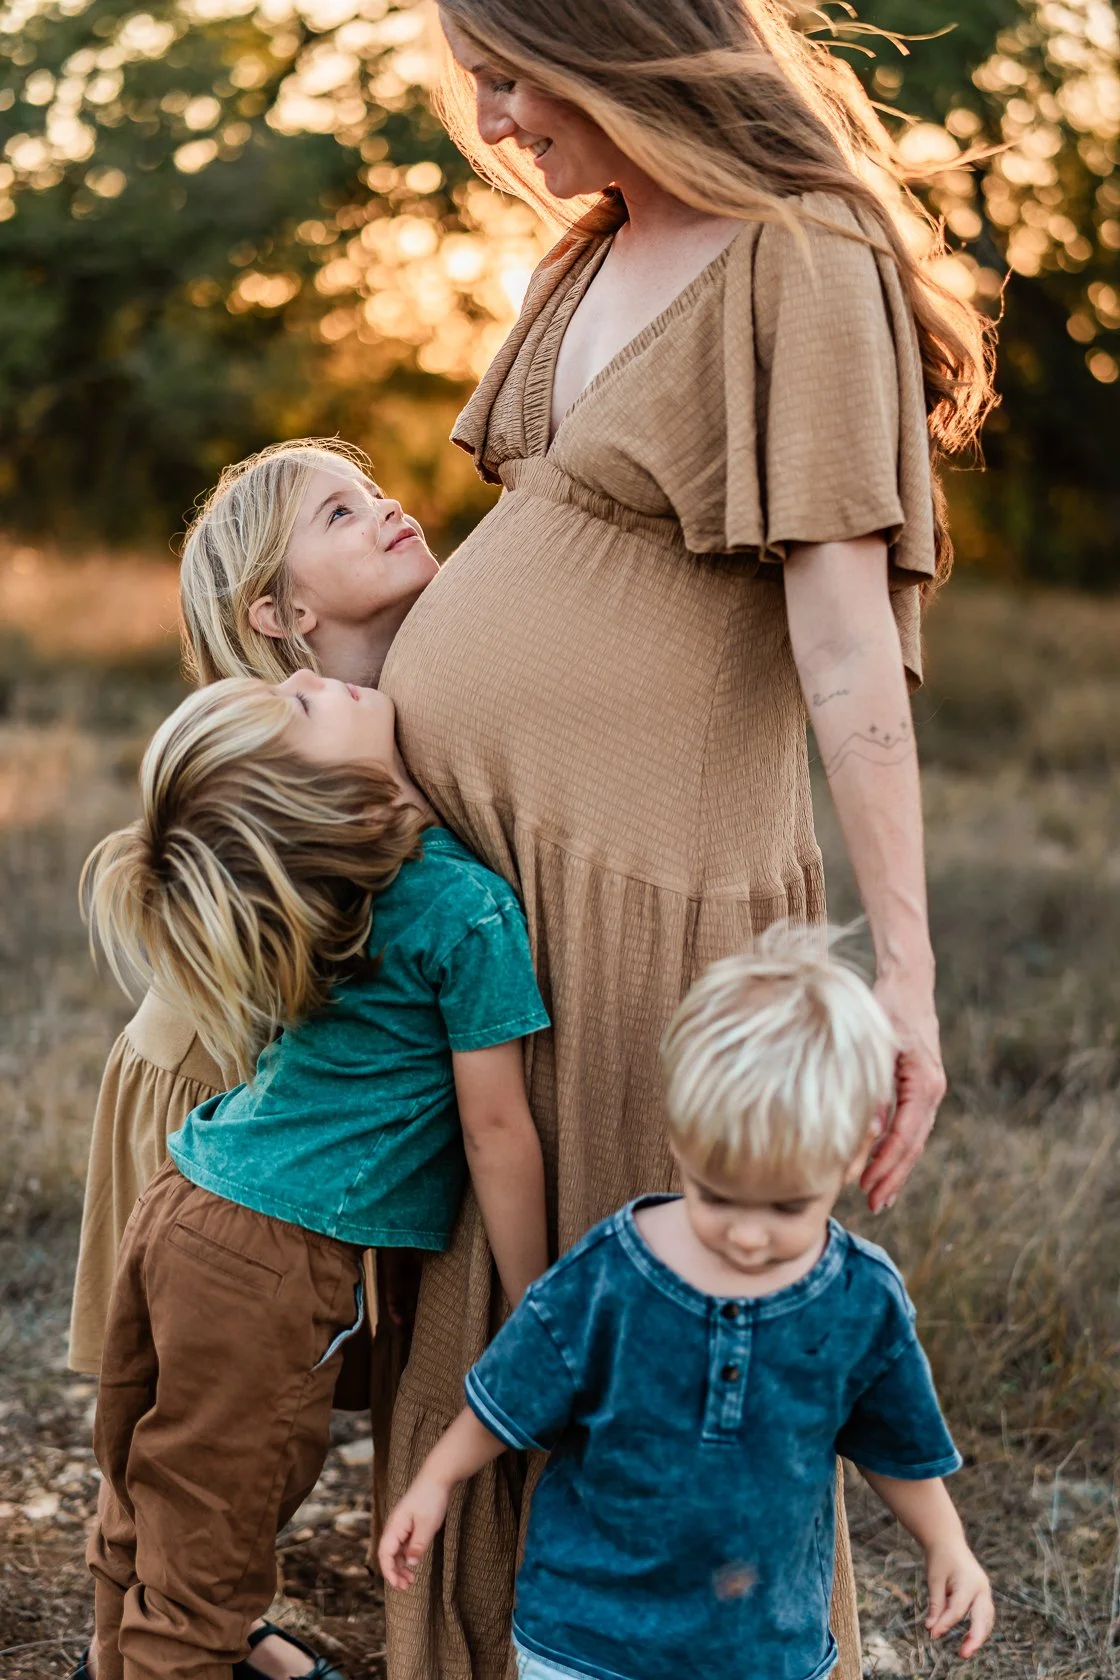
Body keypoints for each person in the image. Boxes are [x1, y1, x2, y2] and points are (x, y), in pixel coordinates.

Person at [375, 4, 994, 1676]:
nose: (494, 123)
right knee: (501, 1327)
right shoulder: (593, 251)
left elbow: (850, 647)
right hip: (498, 897)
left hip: (642, 904)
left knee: (662, 1355)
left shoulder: (802, 257)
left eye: (513, 75)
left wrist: (907, 993)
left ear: (624, 42)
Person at [78, 671, 551, 1680]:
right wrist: (531, 1296)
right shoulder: (466, 910)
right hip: (264, 1258)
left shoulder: (322, 901)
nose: (303, 676)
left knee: (138, 1511)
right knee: (207, 1566)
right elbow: (498, 1129)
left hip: (183, 1202)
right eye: (295, 710)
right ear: (317, 804)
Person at [379, 926, 995, 1680]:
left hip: (760, 1649)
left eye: (785, 1208)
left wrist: (946, 1542)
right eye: (719, 1195)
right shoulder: (614, 1272)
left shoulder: (859, 1301)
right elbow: (510, 1393)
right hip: (585, 1641)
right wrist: (436, 1481)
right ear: (681, 1141)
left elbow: (894, 1442)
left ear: (852, 1159)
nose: (745, 1234)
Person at [67, 440, 440, 1680]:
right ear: (279, 615)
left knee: (229, 1417)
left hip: (278, 1122)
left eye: (370, 485)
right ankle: (168, 1630)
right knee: (205, 1417)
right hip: (207, 1089)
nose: (387, 502)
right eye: (340, 509)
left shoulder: (398, 699)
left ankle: (210, 1626)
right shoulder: (285, 749)